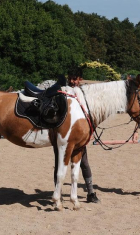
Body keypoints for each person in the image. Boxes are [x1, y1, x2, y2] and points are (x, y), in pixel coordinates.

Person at [52, 67, 100, 203]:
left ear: (80, 79)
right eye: (70, 79)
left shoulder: (84, 93)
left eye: (75, 79)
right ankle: (58, 192)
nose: (72, 81)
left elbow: (89, 114)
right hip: (61, 134)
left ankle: (90, 192)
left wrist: (89, 133)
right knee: (59, 163)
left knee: (84, 163)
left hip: (78, 135)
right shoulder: (63, 90)